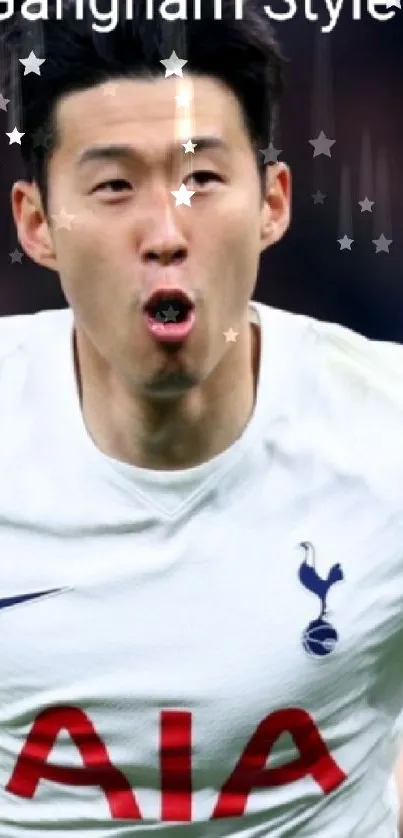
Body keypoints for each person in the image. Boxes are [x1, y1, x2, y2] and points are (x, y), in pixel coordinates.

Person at [1, 0, 403, 835]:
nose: (164, 233)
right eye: (113, 186)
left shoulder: (386, 432)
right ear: (37, 224)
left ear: (272, 204)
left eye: (202, 180)